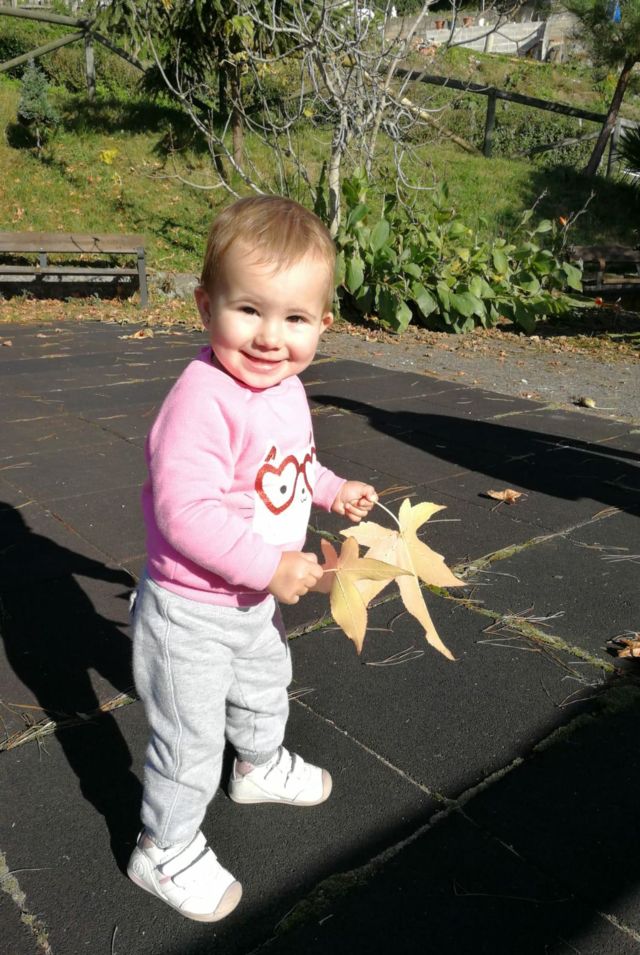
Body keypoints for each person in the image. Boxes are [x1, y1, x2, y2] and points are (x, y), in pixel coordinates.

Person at [127, 196, 377, 922]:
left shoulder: (285, 389)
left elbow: (292, 466)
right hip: (191, 612)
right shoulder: (202, 401)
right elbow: (185, 512)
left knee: (267, 684)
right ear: (206, 306)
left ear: (322, 324)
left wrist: (333, 490)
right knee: (190, 738)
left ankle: (259, 766)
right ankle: (164, 846)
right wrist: (268, 565)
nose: (271, 337)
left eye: (294, 319)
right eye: (248, 310)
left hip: (251, 602)